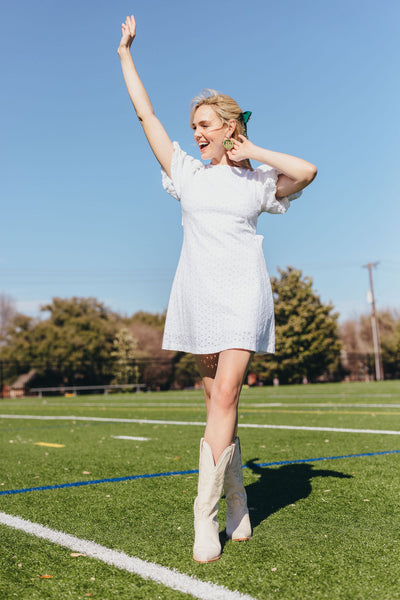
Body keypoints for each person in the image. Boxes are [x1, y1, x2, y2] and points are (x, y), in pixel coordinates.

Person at [118, 15, 317, 563]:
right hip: (198, 296)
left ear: (230, 127)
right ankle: (237, 499)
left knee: (226, 395)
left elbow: (308, 170)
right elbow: (146, 114)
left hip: (243, 296)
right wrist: (125, 56)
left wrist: (254, 150)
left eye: (207, 124)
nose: (197, 132)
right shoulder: (185, 172)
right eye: (195, 126)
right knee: (215, 403)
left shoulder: (257, 183)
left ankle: (204, 520)